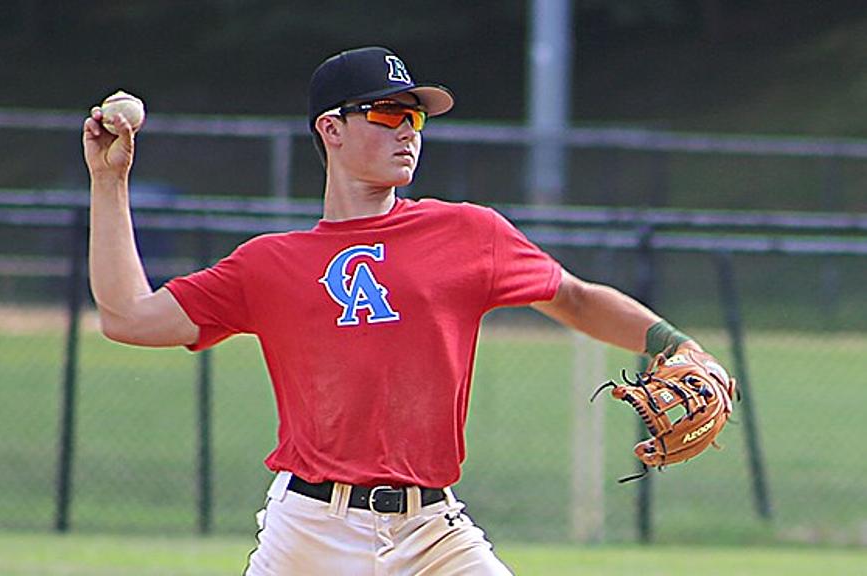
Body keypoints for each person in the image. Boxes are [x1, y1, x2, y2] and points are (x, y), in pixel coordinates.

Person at [82, 46, 715, 575]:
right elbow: (129, 316)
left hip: (430, 530)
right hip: (311, 533)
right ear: (330, 129)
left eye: (416, 116)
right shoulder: (268, 264)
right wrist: (109, 184)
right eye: (388, 112)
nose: (408, 129)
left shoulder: (469, 234)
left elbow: (574, 297)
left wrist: (670, 343)